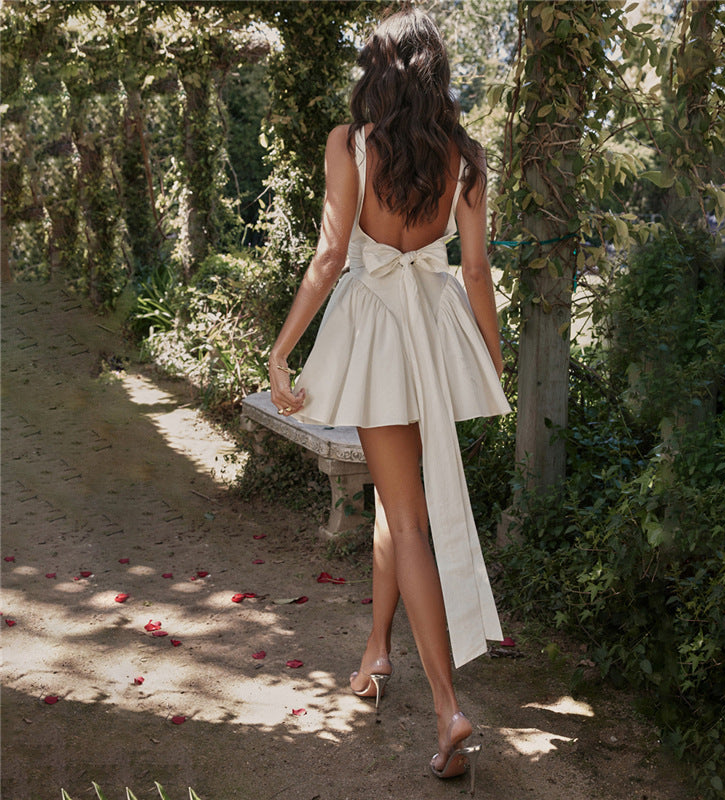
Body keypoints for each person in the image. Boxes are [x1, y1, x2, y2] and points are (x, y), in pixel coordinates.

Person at [267, 7, 510, 792]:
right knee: (396, 504)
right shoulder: (466, 159)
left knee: (408, 519)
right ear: (437, 71)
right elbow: (474, 273)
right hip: (435, 333)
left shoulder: (350, 144)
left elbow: (333, 252)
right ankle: (378, 652)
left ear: (378, 69)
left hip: (376, 330)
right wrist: (491, 364)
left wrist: (283, 348)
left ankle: (448, 710)